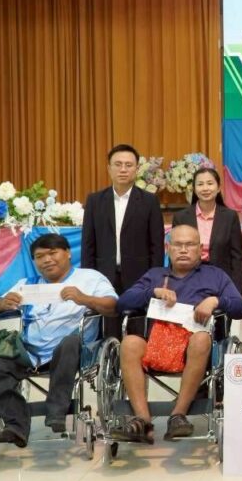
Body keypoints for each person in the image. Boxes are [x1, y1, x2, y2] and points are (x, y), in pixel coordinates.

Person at [107, 225, 242, 443]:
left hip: (196, 348)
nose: (183, 250)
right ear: (168, 248)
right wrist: (152, 292)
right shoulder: (155, 275)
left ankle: (178, 415)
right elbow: (122, 304)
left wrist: (215, 301)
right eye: (178, 245)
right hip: (157, 344)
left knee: (201, 338)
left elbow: (241, 308)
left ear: (200, 249)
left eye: (189, 245)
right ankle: (142, 421)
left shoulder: (215, 275)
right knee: (130, 342)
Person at [0, 233, 117, 447]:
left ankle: (56, 413)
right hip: (30, 352)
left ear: (68, 253)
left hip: (75, 350)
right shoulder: (28, 284)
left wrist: (84, 298)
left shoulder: (90, 278)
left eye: (52, 253)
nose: (46, 260)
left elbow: (112, 307)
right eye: (39, 256)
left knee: (69, 342)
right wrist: (2, 303)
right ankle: (15, 426)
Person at [82, 143, 164, 338]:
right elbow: (88, 244)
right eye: (118, 164)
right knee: (107, 331)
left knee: (136, 331)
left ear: (137, 169)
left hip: (139, 277)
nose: (123, 169)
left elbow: (157, 245)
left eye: (128, 165)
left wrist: (154, 279)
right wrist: (89, 278)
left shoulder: (149, 201)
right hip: (104, 276)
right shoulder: (95, 201)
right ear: (109, 168)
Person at [172, 167, 242, 295]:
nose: (205, 188)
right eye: (200, 184)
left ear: (218, 188)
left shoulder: (229, 216)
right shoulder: (181, 217)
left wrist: (238, 290)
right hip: (188, 279)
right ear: (194, 189)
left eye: (210, 183)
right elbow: (175, 252)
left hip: (221, 281)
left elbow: (237, 256)